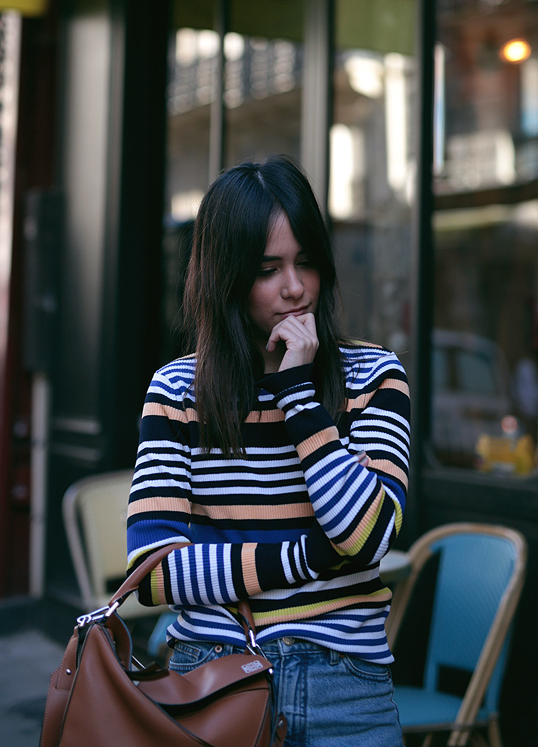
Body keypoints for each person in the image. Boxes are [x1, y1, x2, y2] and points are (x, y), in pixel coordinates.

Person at [127, 156, 410, 747]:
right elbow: (151, 573)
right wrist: (311, 558)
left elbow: (365, 537)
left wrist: (299, 396)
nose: (295, 287)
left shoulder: (374, 377)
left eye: (306, 261)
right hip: (214, 677)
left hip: (347, 687)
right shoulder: (178, 390)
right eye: (267, 268)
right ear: (227, 276)